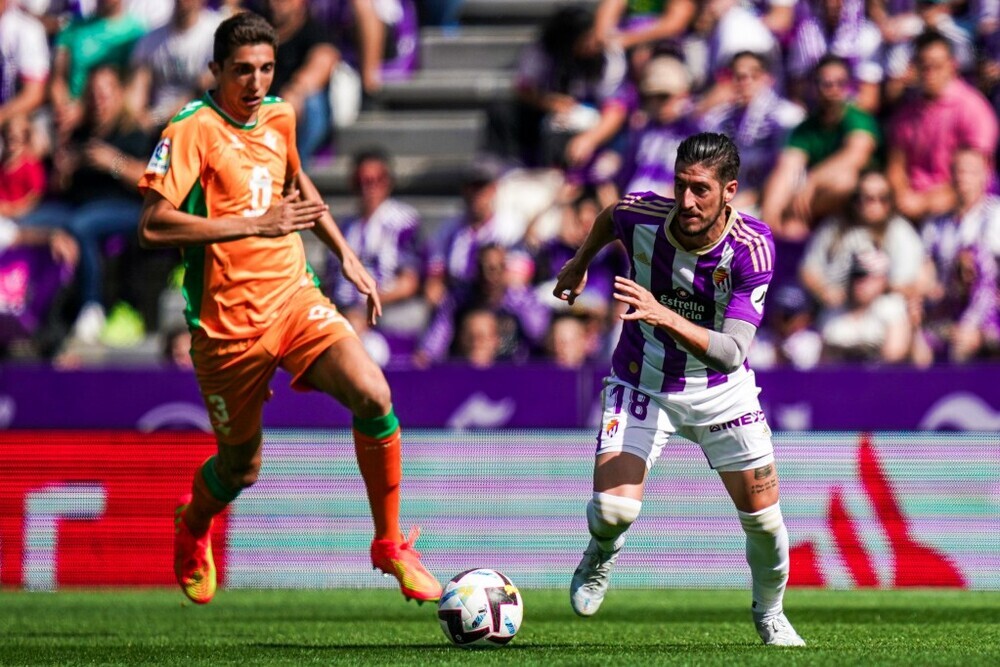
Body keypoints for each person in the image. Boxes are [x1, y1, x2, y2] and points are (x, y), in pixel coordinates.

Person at [136, 11, 441, 606]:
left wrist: (347, 255)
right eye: (243, 71)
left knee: (373, 393)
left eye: (266, 69)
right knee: (240, 470)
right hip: (226, 329)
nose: (255, 83)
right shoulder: (189, 129)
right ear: (216, 70)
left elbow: (299, 189)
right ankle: (193, 524)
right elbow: (152, 225)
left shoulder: (280, 115)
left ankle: (389, 545)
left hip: (293, 298)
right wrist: (254, 223)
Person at [552, 132, 805, 646]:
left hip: (720, 390)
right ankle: (601, 554)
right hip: (641, 380)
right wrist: (579, 263)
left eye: (701, 190)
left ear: (729, 191)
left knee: (766, 523)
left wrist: (664, 315)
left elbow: (733, 351)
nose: (686, 201)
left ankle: (770, 613)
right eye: (680, 186)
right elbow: (609, 217)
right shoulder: (643, 215)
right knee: (612, 512)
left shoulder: (751, 247)